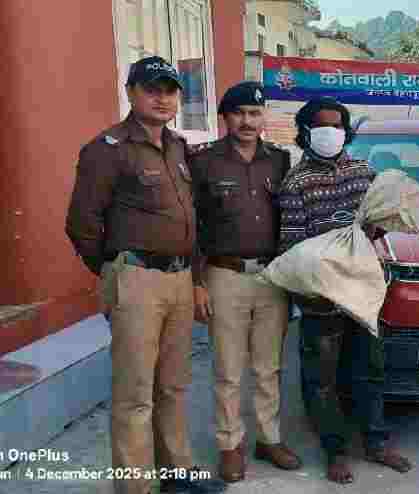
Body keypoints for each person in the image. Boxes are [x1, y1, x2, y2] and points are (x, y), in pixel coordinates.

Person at [65, 56, 226, 494]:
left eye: (170, 90)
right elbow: (81, 223)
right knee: (135, 392)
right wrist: (114, 269)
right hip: (136, 278)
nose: (162, 98)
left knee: (173, 385)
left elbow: (191, 217)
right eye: (151, 89)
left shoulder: (177, 146)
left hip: (178, 279)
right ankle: (135, 486)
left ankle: (176, 474)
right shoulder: (107, 149)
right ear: (130, 92)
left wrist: (194, 277)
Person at [278, 97, 412, 484]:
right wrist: (316, 284)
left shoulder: (364, 173)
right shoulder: (295, 183)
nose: (331, 133)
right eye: (322, 126)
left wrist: (380, 223)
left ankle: (376, 442)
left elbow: (380, 226)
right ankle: (334, 451)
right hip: (320, 298)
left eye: (337, 126)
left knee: (370, 370)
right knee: (322, 380)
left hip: (362, 293)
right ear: (305, 132)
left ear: (346, 131)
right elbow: (291, 245)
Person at [189, 81, 300, 483]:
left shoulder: (281, 161)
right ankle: (229, 444)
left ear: (263, 116)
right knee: (228, 368)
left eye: (255, 113)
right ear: (225, 118)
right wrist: (195, 282)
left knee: (269, 366)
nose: (247, 121)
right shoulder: (203, 162)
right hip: (224, 275)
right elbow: (190, 225)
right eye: (239, 113)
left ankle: (269, 439)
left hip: (272, 276)